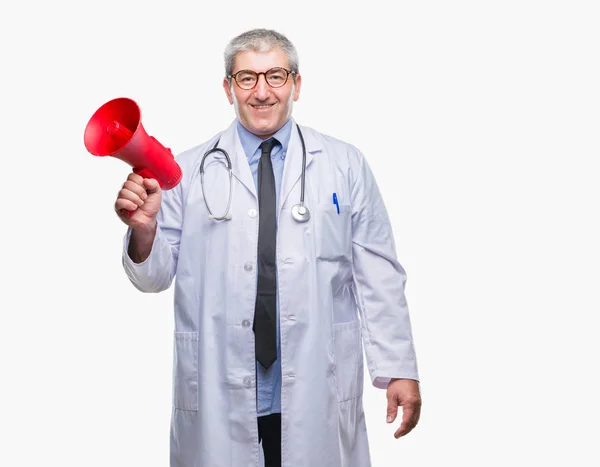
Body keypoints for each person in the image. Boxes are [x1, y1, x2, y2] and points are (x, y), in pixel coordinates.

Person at [116, 28, 421, 467]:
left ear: (297, 84)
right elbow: (154, 277)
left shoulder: (343, 163)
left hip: (317, 380)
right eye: (246, 79)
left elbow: (379, 274)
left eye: (276, 76)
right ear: (228, 89)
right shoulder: (186, 171)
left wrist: (399, 368)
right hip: (220, 386)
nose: (262, 92)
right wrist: (144, 230)